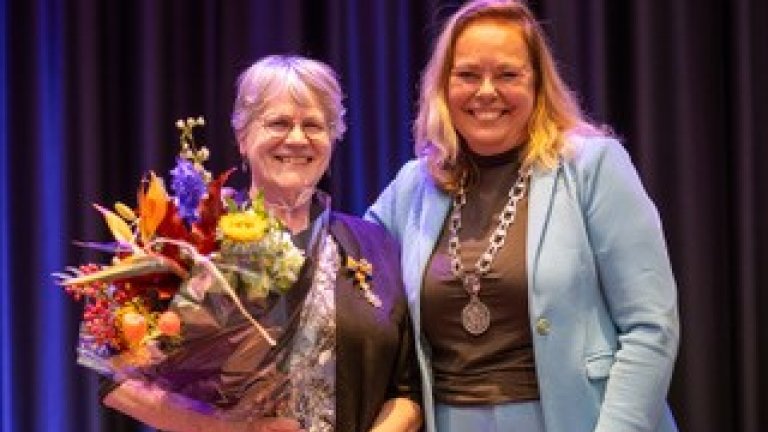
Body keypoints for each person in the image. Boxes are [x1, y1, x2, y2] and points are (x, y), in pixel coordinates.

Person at [365, 1, 679, 431]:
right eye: (468, 75)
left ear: (538, 84)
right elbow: (347, 270)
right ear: (442, 86)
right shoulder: (412, 187)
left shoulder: (592, 167)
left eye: (508, 74)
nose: (486, 91)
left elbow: (650, 327)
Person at [102, 55, 422, 432]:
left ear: (333, 140)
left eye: (314, 125)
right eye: (279, 123)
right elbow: (112, 375)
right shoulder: (189, 241)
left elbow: (407, 389)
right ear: (242, 137)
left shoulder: (374, 244)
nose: (298, 138)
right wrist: (229, 429)